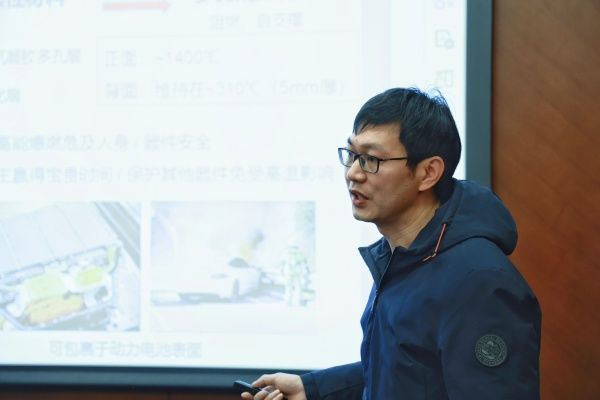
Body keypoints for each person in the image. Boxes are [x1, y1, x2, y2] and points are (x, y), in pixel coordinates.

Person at [241, 88, 541, 400]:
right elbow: (404, 369)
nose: (353, 173)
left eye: (371, 159)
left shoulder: (479, 282)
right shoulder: (402, 254)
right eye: (351, 155)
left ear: (428, 173)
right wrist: (313, 390)